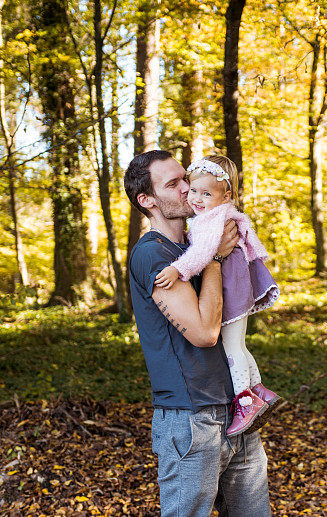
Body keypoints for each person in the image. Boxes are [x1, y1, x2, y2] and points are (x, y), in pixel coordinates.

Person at [124, 150, 271, 517]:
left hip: (236, 412)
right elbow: (205, 332)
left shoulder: (193, 245)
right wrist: (217, 260)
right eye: (173, 184)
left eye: (185, 178)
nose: (188, 188)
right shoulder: (153, 256)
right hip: (191, 420)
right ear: (147, 201)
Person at [154, 155, 281, 437]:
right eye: (194, 190)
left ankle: (246, 402)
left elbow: (202, 253)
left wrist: (177, 269)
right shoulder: (216, 215)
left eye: (207, 193)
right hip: (236, 284)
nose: (197, 199)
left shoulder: (213, 220)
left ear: (226, 197)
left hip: (231, 287)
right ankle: (260, 390)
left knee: (231, 347)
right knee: (237, 342)